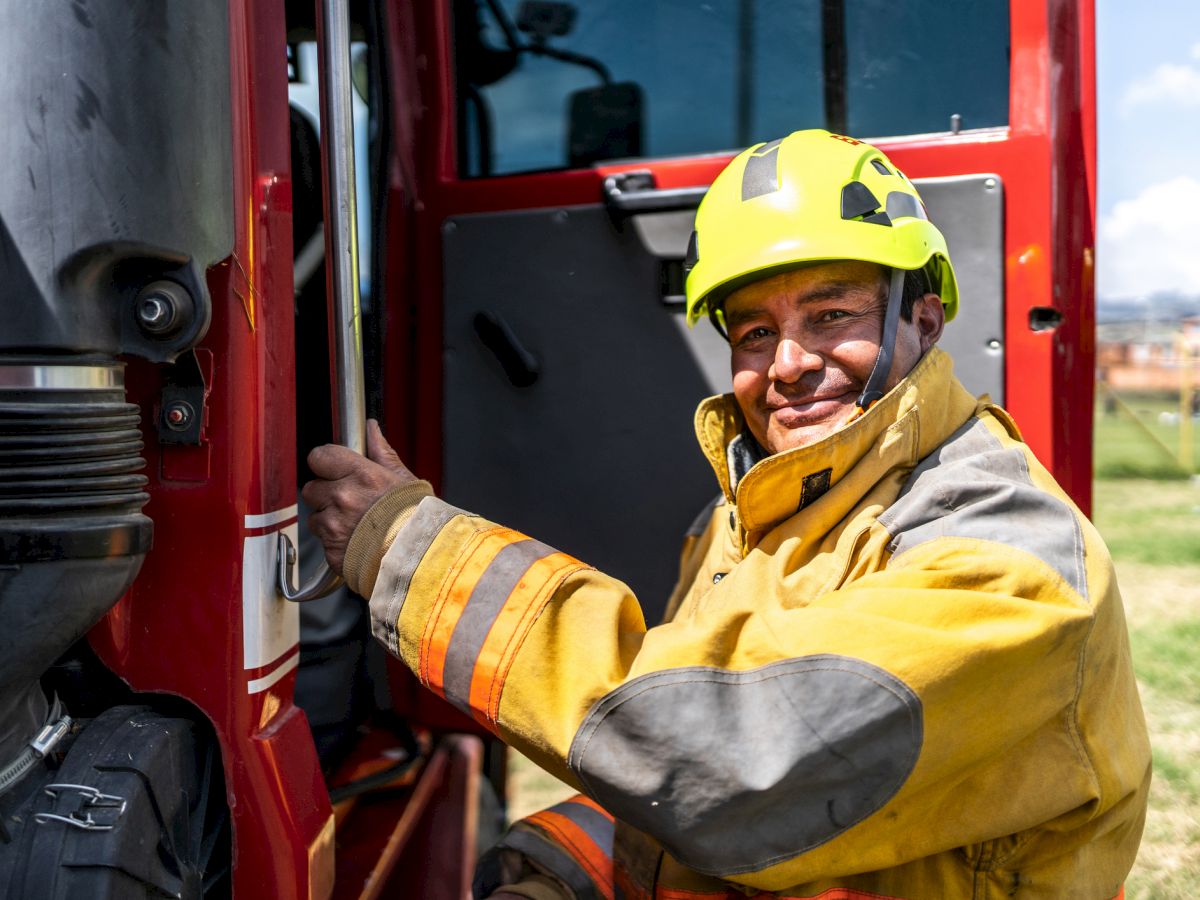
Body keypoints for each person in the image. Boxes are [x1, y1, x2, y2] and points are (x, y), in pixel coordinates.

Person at [303, 130, 1150, 899]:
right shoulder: (745, 517)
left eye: (831, 315)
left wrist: (411, 552)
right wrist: (562, 873)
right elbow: (665, 778)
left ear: (922, 320)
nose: (787, 365)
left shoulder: (1009, 558)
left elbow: (735, 767)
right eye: (752, 332)